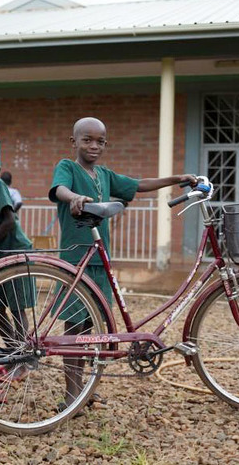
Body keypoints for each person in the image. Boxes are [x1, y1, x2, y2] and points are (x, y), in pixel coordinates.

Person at [48, 116, 196, 410]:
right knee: (73, 329)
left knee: (92, 327)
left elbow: (138, 185)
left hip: (101, 262)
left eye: (100, 141)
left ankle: (85, 389)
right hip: (77, 259)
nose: (94, 146)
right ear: (74, 141)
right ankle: (71, 393)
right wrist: (74, 197)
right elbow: (59, 190)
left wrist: (176, 179)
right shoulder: (67, 167)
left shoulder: (103, 174)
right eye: (87, 140)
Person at [0, 176, 34, 398]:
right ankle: (13, 354)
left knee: (17, 308)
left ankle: (23, 363)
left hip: (15, 250)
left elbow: (9, 221)